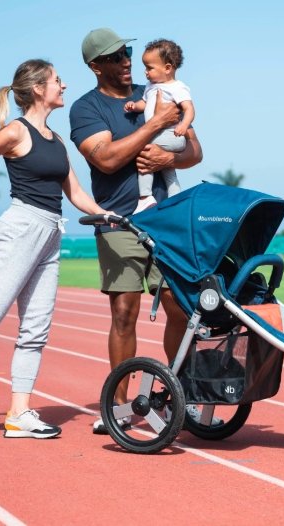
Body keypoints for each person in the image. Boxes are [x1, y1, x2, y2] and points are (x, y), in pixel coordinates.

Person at [0, 59, 112, 439]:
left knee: (36, 330)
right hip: (22, 227)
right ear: (38, 89)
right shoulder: (16, 131)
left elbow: (75, 193)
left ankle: (18, 414)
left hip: (51, 233)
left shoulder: (57, 140)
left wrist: (105, 214)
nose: (64, 85)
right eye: (58, 80)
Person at [69, 28, 218, 434]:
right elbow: (106, 159)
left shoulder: (157, 88)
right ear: (95, 66)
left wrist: (166, 159)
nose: (126, 61)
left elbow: (194, 151)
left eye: (128, 52)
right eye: (115, 57)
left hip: (166, 220)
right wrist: (154, 126)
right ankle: (118, 409)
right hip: (119, 221)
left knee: (179, 308)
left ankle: (180, 400)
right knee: (124, 312)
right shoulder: (86, 109)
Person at [123, 39, 194, 213]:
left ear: (168, 68)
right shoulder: (151, 86)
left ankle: (145, 196)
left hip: (171, 134)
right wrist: (134, 106)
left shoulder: (177, 87)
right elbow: (144, 103)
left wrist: (184, 125)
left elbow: (189, 109)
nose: (145, 72)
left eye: (150, 68)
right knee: (168, 171)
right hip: (163, 136)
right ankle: (176, 199)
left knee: (143, 150)